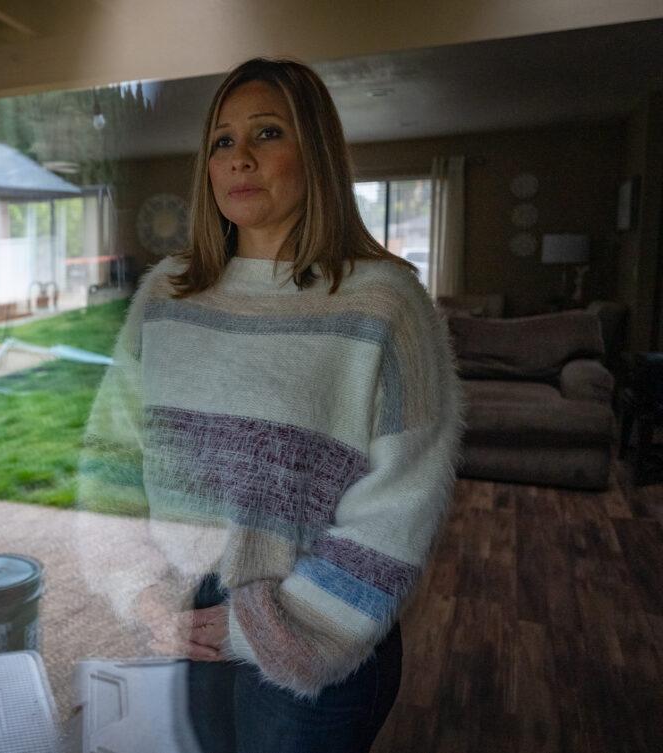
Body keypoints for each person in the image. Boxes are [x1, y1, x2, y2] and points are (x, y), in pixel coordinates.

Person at [74, 57, 467, 753]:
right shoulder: (167, 294)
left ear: (313, 151)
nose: (240, 157)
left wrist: (267, 629)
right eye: (223, 141)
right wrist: (140, 589)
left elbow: (400, 506)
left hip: (316, 642)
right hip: (185, 619)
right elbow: (110, 452)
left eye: (267, 133)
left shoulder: (384, 303)